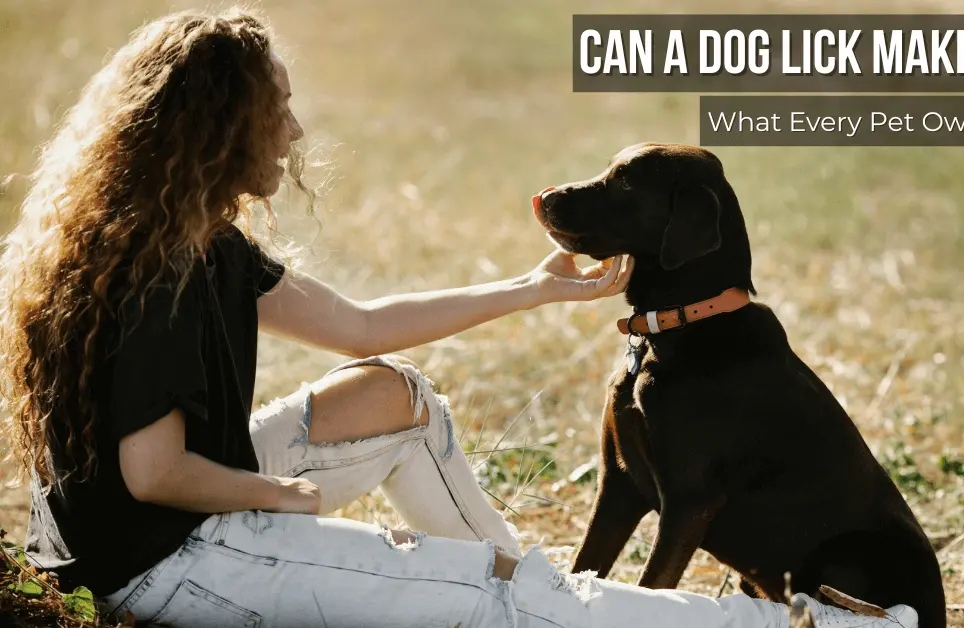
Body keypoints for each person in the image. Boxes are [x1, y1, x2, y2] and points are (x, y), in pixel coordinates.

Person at [0, 9, 916, 628]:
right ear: (216, 130)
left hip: (144, 518)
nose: (296, 132)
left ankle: (537, 603)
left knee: (399, 401)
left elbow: (359, 325)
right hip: (167, 558)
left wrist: (532, 287)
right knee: (486, 591)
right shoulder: (153, 273)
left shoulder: (192, 236)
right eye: (277, 111)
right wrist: (271, 493)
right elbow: (155, 473)